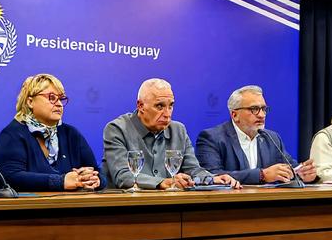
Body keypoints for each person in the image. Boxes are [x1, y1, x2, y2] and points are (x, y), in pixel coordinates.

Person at [102, 78, 240, 190]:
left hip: (170, 207)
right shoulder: (117, 129)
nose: (167, 114)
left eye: (171, 106)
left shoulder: (178, 130)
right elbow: (123, 176)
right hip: (127, 209)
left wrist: (212, 178)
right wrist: (163, 182)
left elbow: (192, 169)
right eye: (159, 106)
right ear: (141, 106)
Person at [0, 73, 102, 191]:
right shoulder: (13, 134)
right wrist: (61, 181)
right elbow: (9, 177)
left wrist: (94, 179)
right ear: (30, 102)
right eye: (51, 97)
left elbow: (98, 173)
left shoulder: (71, 134)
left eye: (61, 99)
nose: (59, 104)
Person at [195, 85, 317, 184]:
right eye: (254, 109)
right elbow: (211, 176)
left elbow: (291, 167)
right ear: (234, 115)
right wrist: (261, 175)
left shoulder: (271, 138)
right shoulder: (211, 138)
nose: (261, 115)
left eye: (264, 109)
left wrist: (302, 173)